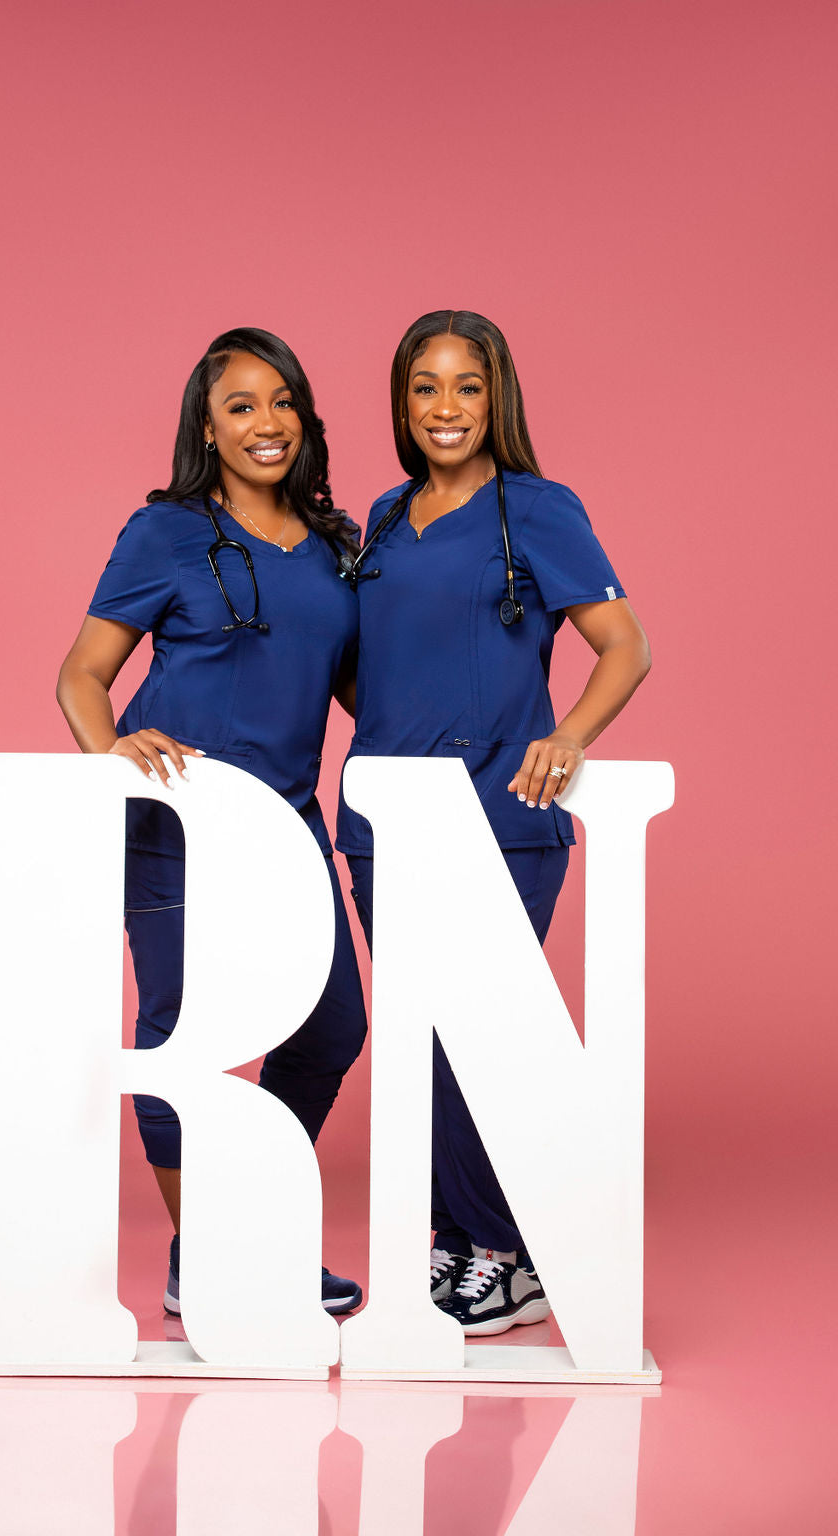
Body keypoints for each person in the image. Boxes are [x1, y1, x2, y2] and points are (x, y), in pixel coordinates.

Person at [336, 309, 652, 1335]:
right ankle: (460, 1242)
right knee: (421, 1041)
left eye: (465, 386)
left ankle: (502, 1256)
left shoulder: (537, 511)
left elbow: (624, 646)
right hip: (386, 821)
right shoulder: (382, 517)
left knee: (480, 1040)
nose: (444, 407)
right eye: (424, 387)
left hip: (498, 818)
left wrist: (567, 736)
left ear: (497, 398)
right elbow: (372, 667)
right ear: (401, 403)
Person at [57, 327, 367, 1316]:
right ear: (207, 426)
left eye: (281, 402)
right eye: (241, 407)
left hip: (287, 820)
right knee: (178, 1038)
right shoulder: (164, 534)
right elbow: (80, 674)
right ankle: (207, 1254)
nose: (266, 423)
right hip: (175, 820)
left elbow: (363, 693)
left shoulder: (333, 546)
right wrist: (110, 752)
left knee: (332, 1030)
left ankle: (249, 1218)